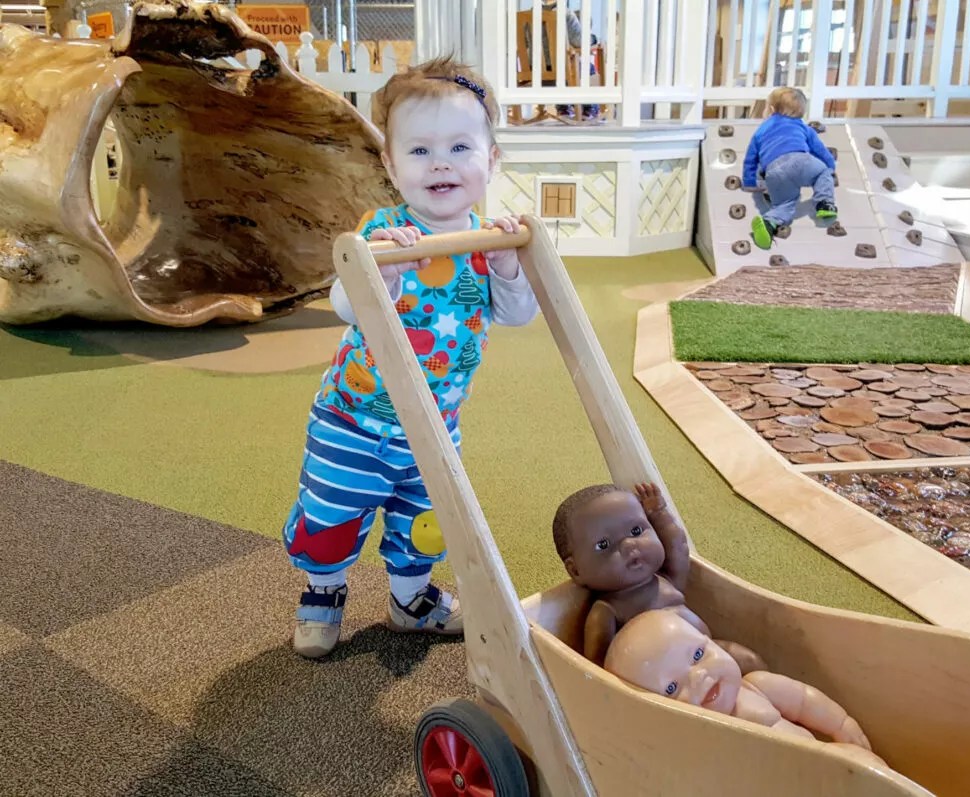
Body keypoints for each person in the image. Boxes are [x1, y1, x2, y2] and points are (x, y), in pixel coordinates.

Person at [281, 56, 539, 659]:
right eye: (419, 152)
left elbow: (519, 312)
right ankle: (323, 590)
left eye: (458, 147)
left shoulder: (488, 239)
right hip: (355, 417)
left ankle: (411, 599)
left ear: (491, 161)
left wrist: (508, 268)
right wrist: (385, 270)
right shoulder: (383, 232)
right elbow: (349, 304)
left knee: (424, 521)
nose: (441, 163)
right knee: (332, 512)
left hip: (436, 426)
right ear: (392, 167)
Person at [605, 609, 888, 770]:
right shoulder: (697, 745)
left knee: (862, 763)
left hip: (832, 773)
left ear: (712, 641)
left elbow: (803, 700)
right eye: (671, 687)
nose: (699, 677)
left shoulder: (756, 686)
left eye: (697, 655)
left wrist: (840, 724)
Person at [552, 482, 766, 673]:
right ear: (576, 571)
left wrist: (659, 513)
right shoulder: (607, 611)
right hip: (669, 684)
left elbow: (679, 548)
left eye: (636, 530)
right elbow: (600, 668)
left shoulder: (664, 580)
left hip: (709, 655)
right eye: (604, 545)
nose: (628, 545)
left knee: (749, 660)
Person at [742, 87, 838, 250]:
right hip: (801, 161)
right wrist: (830, 167)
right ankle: (824, 203)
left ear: (771, 109)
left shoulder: (761, 131)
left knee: (785, 204)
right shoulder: (803, 127)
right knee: (822, 172)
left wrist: (750, 182)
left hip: (773, 171)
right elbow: (820, 150)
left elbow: (751, 158)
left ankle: (769, 222)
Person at [543, 0, 601, 121]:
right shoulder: (566, 13)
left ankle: (563, 108)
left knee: (569, 67)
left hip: (538, 71)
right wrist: (594, 39)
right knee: (587, 67)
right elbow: (579, 41)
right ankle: (589, 108)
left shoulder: (530, 14)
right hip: (562, 70)